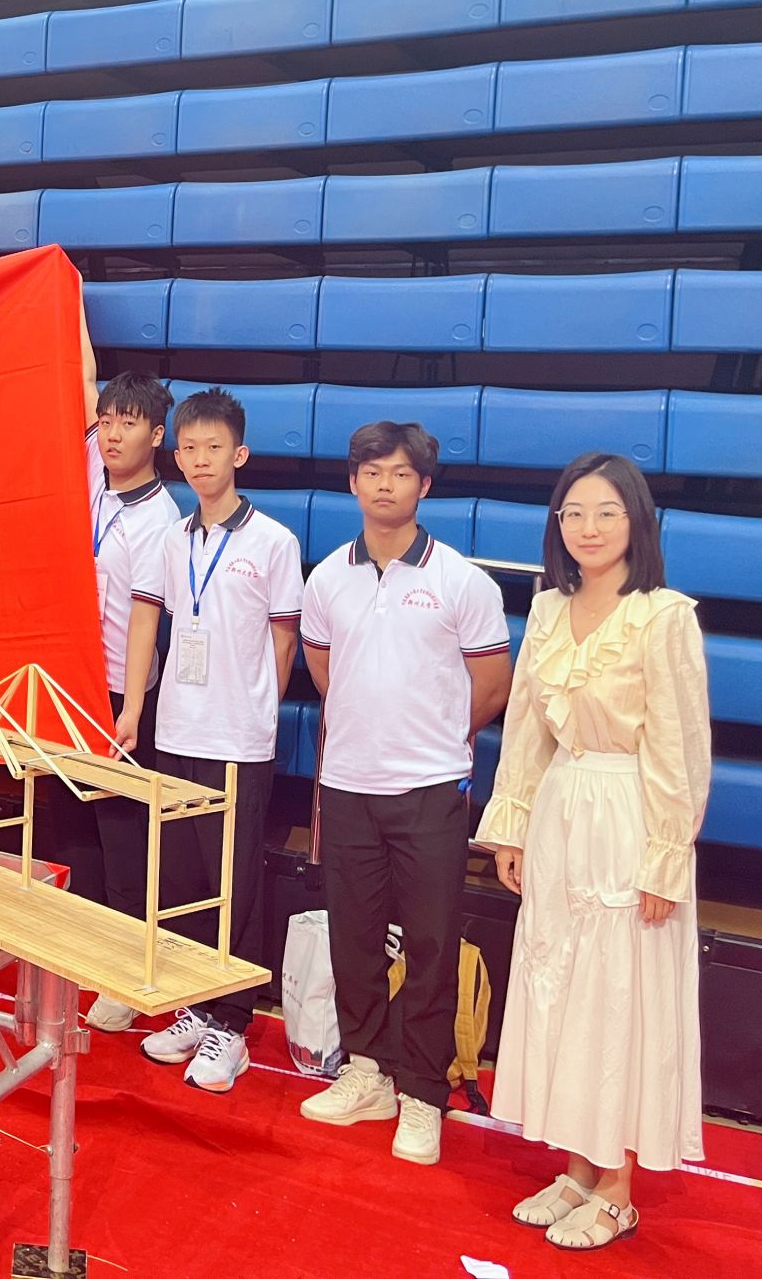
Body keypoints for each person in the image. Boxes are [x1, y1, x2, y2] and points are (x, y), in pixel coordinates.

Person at [475, 453, 706, 1249]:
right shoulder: (547, 609)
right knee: (558, 989)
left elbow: (681, 749)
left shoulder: (663, 617)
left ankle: (617, 1188)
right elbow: (527, 730)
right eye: (573, 513)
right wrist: (512, 824)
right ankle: (576, 1168)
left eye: (607, 512)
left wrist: (666, 856)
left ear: (637, 520)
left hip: (627, 819)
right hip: (560, 815)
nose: (589, 528)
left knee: (617, 999)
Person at [296, 422, 512, 1165]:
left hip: (430, 790)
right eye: (371, 472)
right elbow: (325, 671)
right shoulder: (327, 578)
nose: (384, 484)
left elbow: (492, 686)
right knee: (354, 938)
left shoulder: (462, 581)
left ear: (424, 485)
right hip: (347, 786)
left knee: (430, 943)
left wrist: (432, 741)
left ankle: (421, 1093)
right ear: (352, 482)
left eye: (398, 473)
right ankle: (365, 1072)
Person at [117, 387, 303, 1092]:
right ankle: (195, 1006)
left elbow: (283, 641)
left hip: (238, 738)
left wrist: (256, 708)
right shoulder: (172, 539)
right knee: (185, 878)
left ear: (240, 455)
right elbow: (145, 622)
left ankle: (233, 1022)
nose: (200, 460)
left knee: (234, 882)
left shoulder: (274, 542)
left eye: (213, 448)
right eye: (189, 448)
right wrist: (135, 707)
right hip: (177, 726)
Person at [70, 373, 180, 1035]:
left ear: (157, 435)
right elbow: (84, 378)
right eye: (108, 421)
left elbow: (145, 620)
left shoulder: (159, 519)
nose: (112, 434)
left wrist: (132, 708)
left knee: (123, 834)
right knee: (72, 823)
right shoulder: (92, 465)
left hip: (118, 685)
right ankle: (81, 951)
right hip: (68, 677)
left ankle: (124, 974)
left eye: (129, 423)